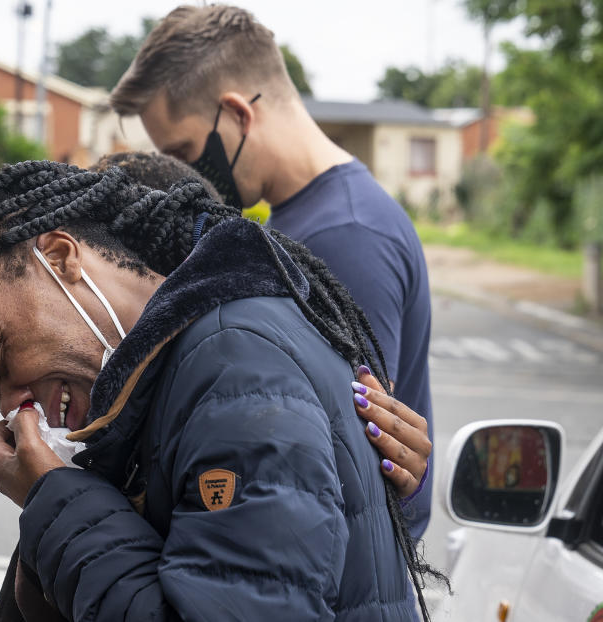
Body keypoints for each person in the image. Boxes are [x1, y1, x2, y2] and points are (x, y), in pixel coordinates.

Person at [0, 161, 444, 621]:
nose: (11, 407)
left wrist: (57, 501)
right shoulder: (150, 393)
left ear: (60, 257)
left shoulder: (233, 367)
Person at [111, 5, 435, 537]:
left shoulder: (344, 235)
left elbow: (347, 454)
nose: (186, 175)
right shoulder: (310, 216)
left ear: (237, 113)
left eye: (185, 151)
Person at [92, 150, 432, 498]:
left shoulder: (348, 234)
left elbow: (365, 435)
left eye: (184, 145)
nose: (191, 161)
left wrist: (61, 490)